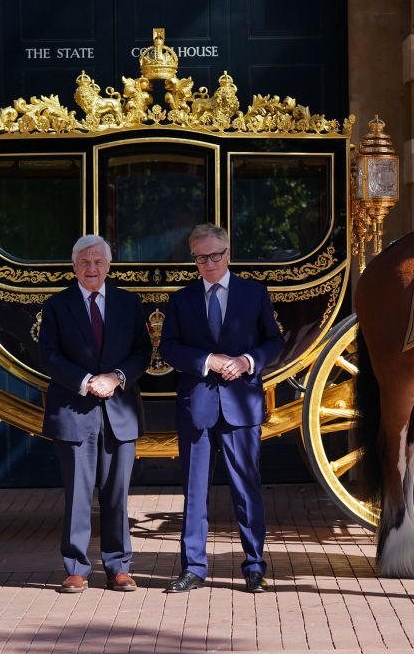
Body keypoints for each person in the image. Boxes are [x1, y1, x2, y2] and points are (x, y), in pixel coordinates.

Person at [159, 224, 283, 594]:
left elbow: (274, 342)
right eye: (201, 257)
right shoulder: (181, 300)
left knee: (247, 489)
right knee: (194, 492)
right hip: (197, 405)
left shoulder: (254, 293)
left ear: (228, 254)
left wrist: (247, 361)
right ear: (193, 259)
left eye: (215, 255)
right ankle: (193, 568)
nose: (209, 263)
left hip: (241, 404)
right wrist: (207, 359)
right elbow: (168, 348)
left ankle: (255, 567)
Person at [39, 234, 150, 593]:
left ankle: (119, 567)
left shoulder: (128, 304)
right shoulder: (57, 306)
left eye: (98, 262)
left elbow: (141, 352)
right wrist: (86, 381)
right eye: (85, 262)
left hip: (119, 412)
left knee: (117, 495)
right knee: (78, 494)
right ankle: (76, 568)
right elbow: (49, 356)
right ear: (74, 267)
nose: (92, 268)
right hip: (74, 412)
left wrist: (116, 378)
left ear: (108, 266)